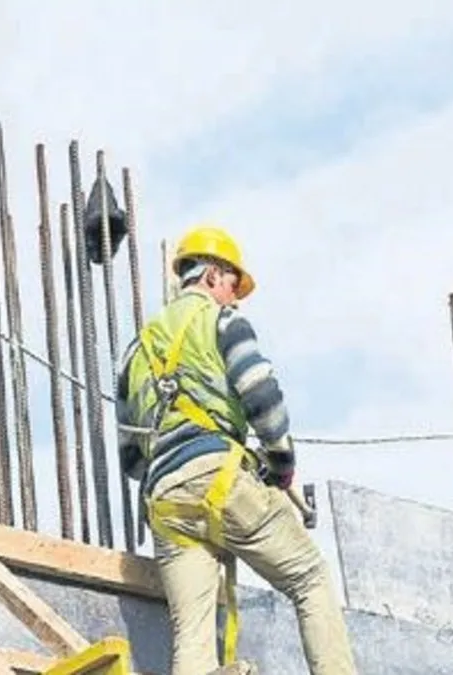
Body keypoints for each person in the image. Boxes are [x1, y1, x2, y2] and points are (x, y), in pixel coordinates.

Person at [115, 226, 356, 675]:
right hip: (219, 479)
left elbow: (130, 457)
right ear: (211, 276)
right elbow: (261, 396)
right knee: (310, 579)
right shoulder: (222, 321)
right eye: (231, 284)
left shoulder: (136, 352)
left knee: (193, 638)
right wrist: (281, 465)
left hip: (165, 502)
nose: (235, 297)